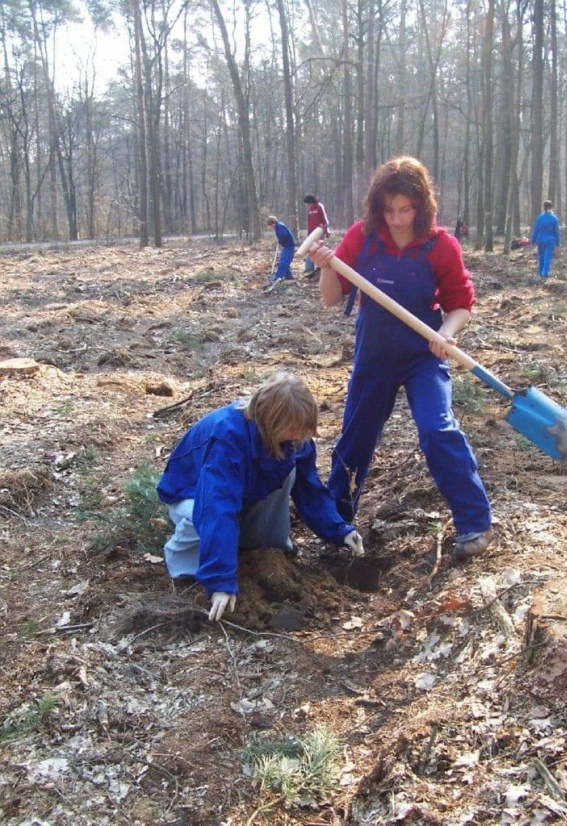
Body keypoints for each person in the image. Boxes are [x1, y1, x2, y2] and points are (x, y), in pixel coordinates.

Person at [307, 156, 492, 562]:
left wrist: (447, 332)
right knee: (355, 439)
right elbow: (330, 298)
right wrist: (325, 266)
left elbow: (461, 304)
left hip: (422, 355)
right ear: (378, 206)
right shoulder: (365, 237)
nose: (397, 219)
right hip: (374, 355)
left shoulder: (441, 245)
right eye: (389, 210)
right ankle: (336, 527)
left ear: (421, 206)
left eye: (405, 209)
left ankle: (474, 523)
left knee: (437, 428)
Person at [157, 372, 365, 621]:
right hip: (192, 496)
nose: (299, 435)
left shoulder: (295, 439)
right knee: (197, 517)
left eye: (303, 428)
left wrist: (339, 529)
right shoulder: (227, 437)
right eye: (293, 428)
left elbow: (310, 488)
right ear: (270, 421)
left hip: (245, 491)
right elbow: (216, 507)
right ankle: (187, 565)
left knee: (291, 471)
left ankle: (264, 550)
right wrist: (220, 580)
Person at [530, 200, 561, 279]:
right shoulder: (554, 218)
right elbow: (556, 231)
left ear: (544, 207)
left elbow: (536, 229)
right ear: (551, 207)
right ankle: (545, 273)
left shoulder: (540, 217)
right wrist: (558, 243)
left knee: (541, 256)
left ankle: (540, 272)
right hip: (550, 240)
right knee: (547, 256)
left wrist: (533, 240)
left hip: (540, 239)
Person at [303, 195, 330, 274]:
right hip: (312, 234)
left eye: (308, 203)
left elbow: (325, 220)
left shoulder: (319, 207)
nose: (308, 205)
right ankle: (309, 268)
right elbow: (309, 222)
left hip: (319, 232)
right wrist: (308, 233)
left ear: (311, 202)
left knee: (319, 249)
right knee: (310, 250)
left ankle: (322, 268)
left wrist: (326, 231)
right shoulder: (310, 209)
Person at [266, 215, 296, 282]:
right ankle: (289, 276)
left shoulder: (279, 226)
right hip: (286, 246)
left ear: (272, 223)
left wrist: (279, 240)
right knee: (284, 260)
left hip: (289, 246)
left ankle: (278, 276)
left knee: (284, 261)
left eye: (270, 225)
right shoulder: (278, 226)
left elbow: (284, 235)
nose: (271, 227)